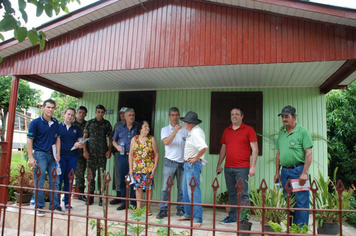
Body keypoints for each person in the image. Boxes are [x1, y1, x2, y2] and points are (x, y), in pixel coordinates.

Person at [216, 107, 258, 224]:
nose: (234, 116)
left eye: (237, 114)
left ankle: (244, 218)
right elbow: (223, 148)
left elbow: (255, 149)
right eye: (232, 114)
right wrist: (219, 164)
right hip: (228, 167)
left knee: (243, 193)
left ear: (242, 116)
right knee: (232, 193)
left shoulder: (249, 130)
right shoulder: (227, 131)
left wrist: (253, 166)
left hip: (243, 167)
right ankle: (232, 216)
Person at [274, 105, 313, 226]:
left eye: (287, 117)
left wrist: (304, 173)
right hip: (285, 172)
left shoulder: (302, 132)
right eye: (283, 117)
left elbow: (309, 153)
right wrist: (277, 172)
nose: (284, 119)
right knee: (289, 202)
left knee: (301, 201)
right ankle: (290, 229)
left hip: (299, 170)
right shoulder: (282, 133)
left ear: (294, 117)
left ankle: (300, 230)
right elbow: (279, 154)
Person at [27, 99, 63, 216]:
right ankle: (40, 206)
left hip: (52, 156)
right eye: (48, 107)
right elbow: (29, 139)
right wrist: (30, 157)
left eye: (52, 108)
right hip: (40, 155)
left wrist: (58, 153)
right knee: (40, 181)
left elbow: (57, 138)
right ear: (43, 108)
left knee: (56, 181)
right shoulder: (35, 123)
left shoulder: (55, 122)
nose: (50, 109)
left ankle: (56, 205)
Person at [177, 111, 208, 228]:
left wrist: (196, 158)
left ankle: (197, 218)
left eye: (185, 122)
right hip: (188, 165)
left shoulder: (195, 133)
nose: (184, 124)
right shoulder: (194, 131)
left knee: (193, 191)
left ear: (188, 123)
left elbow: (204, 147)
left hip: (192, 165)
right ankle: (188, 214)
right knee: (186, 190)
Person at [156, 107, 187, 219]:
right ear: (169, 116)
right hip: (170, 162)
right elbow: (166, 142)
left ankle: (181, 209)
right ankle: (163, 210)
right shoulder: (165, 129)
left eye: (177, 115)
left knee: (182, 188)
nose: (175, 117)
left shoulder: (185, 129)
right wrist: (175, 131)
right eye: (173, 115)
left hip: (183, 163)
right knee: (165, 188)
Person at [83, 105, 113, 206]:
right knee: (90, 176)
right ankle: (90, 197)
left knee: (102, 176)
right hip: (91, 154)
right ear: (96, 112)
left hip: (102, 154)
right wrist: (85, 150)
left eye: (102, 112)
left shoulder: (107, 124)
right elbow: (85, 137)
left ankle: (101, 197)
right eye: (99, 112)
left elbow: (110, 138)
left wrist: (109, 150)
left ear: (104, 113)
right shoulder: (89, 123)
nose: (100, 114)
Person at [129, 120, 159, 215]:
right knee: (138, 188)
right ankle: (138, 208)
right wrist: (130, 168)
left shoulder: (152, 139)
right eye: (145, 126)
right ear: (140, 129)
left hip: (148, 168)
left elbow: (157, 154)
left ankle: (148, 209)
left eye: (148, 126)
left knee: (148, 188)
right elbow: (130, 154)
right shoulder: (134, 139)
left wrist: (154, 167)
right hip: (137, 168)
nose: (147, 128)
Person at [112, 108, 138, 210]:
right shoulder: (119, 127)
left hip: (135, 157)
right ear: (125, 117)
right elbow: (114, 140)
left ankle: (133, 202)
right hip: (122, 155)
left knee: (134, 179)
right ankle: (124, 202)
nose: (132, 117)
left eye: (133, 115)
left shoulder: (137, 127)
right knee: (123, 179)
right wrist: (117, 147)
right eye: (130, 115)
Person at [58, 108, 83, 210]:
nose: (70, 117)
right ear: (64, 114)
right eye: (68, 114)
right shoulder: (58, 127)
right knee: (59, 180)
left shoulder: (76, 129)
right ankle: (57, 203)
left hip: (72, 156)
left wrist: (79, 144)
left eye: (72, 115)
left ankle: (67, 203)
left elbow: (82, 143)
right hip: (60, 157)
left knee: (69, 179)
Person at [110, 107, 128, 205]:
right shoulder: (117, 125)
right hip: (119, 152)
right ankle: (119, 195)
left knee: (129, 174)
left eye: (124, 113)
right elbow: (113, 138)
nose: (122, 115)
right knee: (118, 174)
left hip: (129, 153)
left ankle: (128, 197)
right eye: (121, 113)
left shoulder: (134, 125)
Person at [73, 106, 88, 201]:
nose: (81, 114)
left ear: (86, 114)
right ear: (76, 113)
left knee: (81, 173)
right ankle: (68, 192)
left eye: (83, 113)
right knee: (69, 173)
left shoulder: (88, 124)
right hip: (71, 152)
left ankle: (81, 193)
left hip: (82, 152)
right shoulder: (71, 123)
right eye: (80, 112)